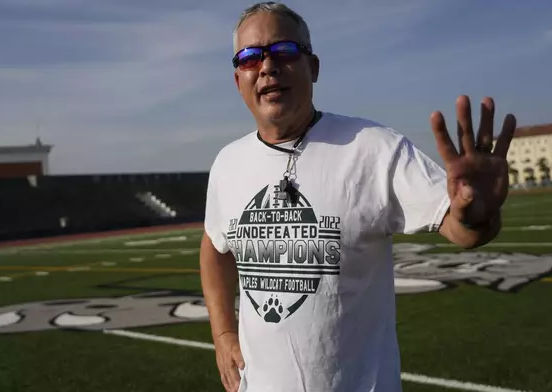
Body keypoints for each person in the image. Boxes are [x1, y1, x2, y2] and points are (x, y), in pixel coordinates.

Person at [199, 2, 516, 392]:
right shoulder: (228, 163)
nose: (266, 66)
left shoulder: (373, 148)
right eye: (250, 58)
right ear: (238, 80)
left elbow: (459, 226)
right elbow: (214, 246)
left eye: (284, 51)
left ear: (313, 67)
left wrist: (476, 213)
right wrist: (223, 333)